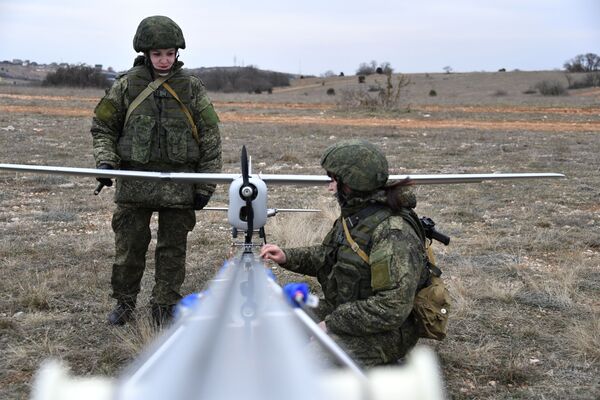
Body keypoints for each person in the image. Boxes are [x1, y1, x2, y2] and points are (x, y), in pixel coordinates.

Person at [91, 15, 222, 326]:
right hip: (134, 185)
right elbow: (103, 127)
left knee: (172, 252)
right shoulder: (125, 85)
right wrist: (105, 162)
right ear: (145, 54)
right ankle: (124, 304)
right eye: (157, 54)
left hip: (180, 186)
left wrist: (206, 186)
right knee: (129, 250)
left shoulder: (191, 87)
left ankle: (164, 306)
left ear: (177, 53)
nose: (164, 60)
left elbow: (211, 136)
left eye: (170, 53)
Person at [260, 139, 430, 367]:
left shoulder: (392, 233)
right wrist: (286, 256)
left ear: (351, 184)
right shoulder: (355, 217)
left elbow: (391, 308)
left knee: (307, 361)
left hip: (386, 331)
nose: (330, 187)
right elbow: (327, 256)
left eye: (334, 180)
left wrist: (330, 325)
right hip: (344, 313)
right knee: (276, 324)